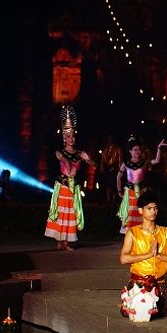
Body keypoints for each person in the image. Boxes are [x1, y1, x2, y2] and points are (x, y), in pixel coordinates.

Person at [119, 191, 167, 318]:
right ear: (140, 211)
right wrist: (148, 254)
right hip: (138, 283)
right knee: (137, 311)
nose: (153, 211)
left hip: (159, 283)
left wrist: (158, 255)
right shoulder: (132, 233)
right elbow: (123, 258)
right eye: (149, 208)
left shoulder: (165, 232)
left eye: (155, 208)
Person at [45, 106, 95, 251]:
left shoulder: (80, 153)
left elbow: (93, 164)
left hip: (73, 188)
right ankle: (60, 241)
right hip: (62, 186)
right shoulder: (59, 152)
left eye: (73, 135)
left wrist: (88, 159)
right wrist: (69, 163)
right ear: (64, 138)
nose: (71, 138)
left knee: (70, 214)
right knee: (61, 213)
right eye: (68, 136)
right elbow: (63, 162)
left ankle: (65, 241)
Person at [116, 136, 166, 234]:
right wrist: (119, 191)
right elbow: (118, 177)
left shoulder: (144, 162)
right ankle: (131, 240)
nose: (138, 151)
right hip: (130, 193)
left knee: (142, 214)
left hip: (142, 193)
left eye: (139, 149)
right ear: (130, 151)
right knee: (130, 215)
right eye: (135, 150)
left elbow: (156, 161)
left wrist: (159, 148)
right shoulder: (125, 163)